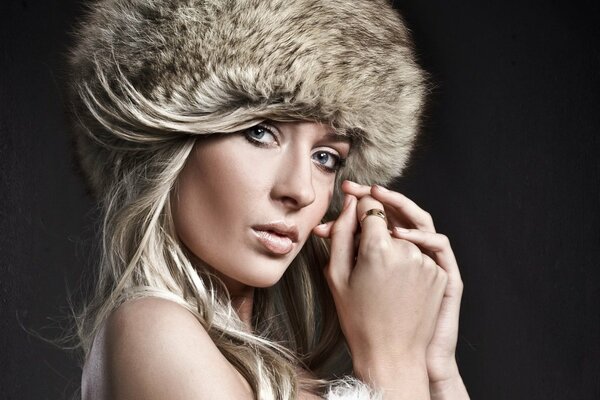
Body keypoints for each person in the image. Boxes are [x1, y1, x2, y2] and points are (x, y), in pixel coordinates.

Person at [67, 0, 469, 399]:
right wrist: (395, 358)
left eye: (325, 158)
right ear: (172, 146)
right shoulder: (153, 330)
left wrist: (436, 368)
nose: (301, 190)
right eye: (260, 132)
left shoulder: (278, 377)